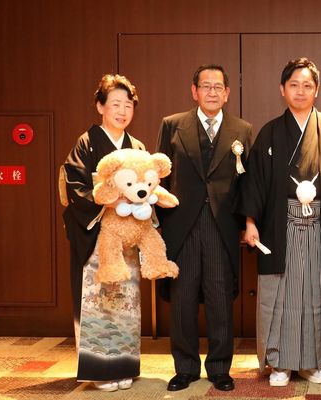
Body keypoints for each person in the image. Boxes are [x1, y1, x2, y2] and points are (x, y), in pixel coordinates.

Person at [236, 57, 321, 387]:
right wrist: (250, 222)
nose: (300, 91)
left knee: (316, 295)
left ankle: (314, 362)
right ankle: (279, 362)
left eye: (307, 85)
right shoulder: (270, 132)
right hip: (279, 226)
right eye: (294, 85)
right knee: (280, 296)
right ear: (282, 89)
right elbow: (255, 182)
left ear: (317, 90)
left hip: (319, 226)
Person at [156, 64, 252, 392]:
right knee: (182, 299)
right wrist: (157, 224)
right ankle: (185, 368)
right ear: (194, 91)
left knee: (219, 298)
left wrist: (247, 222)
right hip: (180, 225)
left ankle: (220, 369)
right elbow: (159, 177)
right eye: (206, 86)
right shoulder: (172, 125)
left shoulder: (242, 129)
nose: (212, 92)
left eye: (218, 87)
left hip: (221, 225)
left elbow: (247, 182)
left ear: (227, 93)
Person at [62, 74, 144, 392]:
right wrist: (108, 201)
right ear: (100, 106)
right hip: (96, 236)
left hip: (127, 239)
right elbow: (75, 186)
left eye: (128, 105)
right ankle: (99, 369)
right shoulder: (86, 143)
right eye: (115, 104)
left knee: (125, 303)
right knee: (98, 302)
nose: (122, 111)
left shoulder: (137, 148)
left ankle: (124, 365)